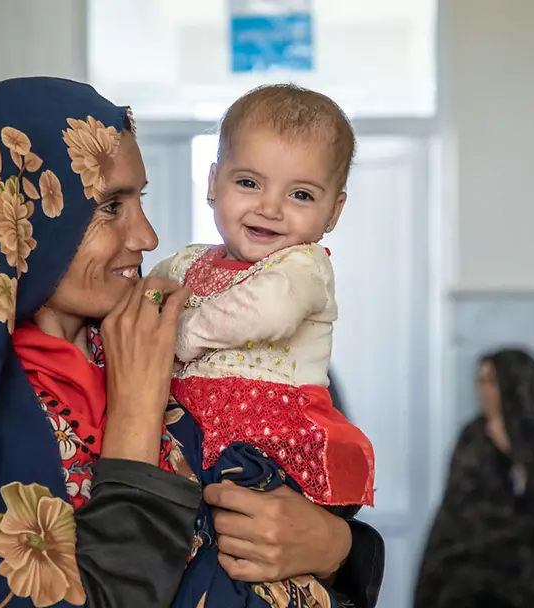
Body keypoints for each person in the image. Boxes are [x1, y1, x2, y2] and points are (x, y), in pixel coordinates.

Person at [0, 77, 384, 608]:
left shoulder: (140, 334)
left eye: (138, 199)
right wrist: (136, 415)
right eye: (108, 207)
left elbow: (272, 520)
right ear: (21, 220)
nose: (147, 236)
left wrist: (338, 547)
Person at [149, 84, 376, 605]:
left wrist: (176, 335)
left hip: (267, 444)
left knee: (242, 563)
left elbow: (264, 309)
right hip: (199, 440)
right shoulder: (189, 261)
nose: (270, 209)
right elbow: (146, 296)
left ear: (333, 212)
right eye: (249, 182)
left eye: (300, 195)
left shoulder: (304, 267)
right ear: (213, 181)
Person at [413, 348, 534, 608]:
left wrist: (517, 454)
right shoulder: (473, 437)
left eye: (492, 382)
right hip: (471, 549)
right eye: (480, 382)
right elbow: (459, 507)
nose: (484, 391)